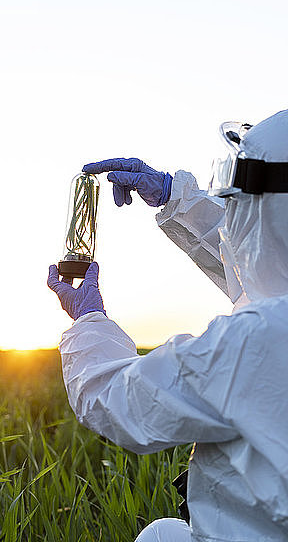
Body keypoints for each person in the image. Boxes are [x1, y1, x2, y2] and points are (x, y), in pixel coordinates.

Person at [47, 109, 288, 541]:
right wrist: (175, 198)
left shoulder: (257, 342)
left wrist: (88, 321)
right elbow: (263, 269)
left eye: (236, 192)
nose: (232, 208)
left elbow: (117, 399)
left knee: (162, 536)